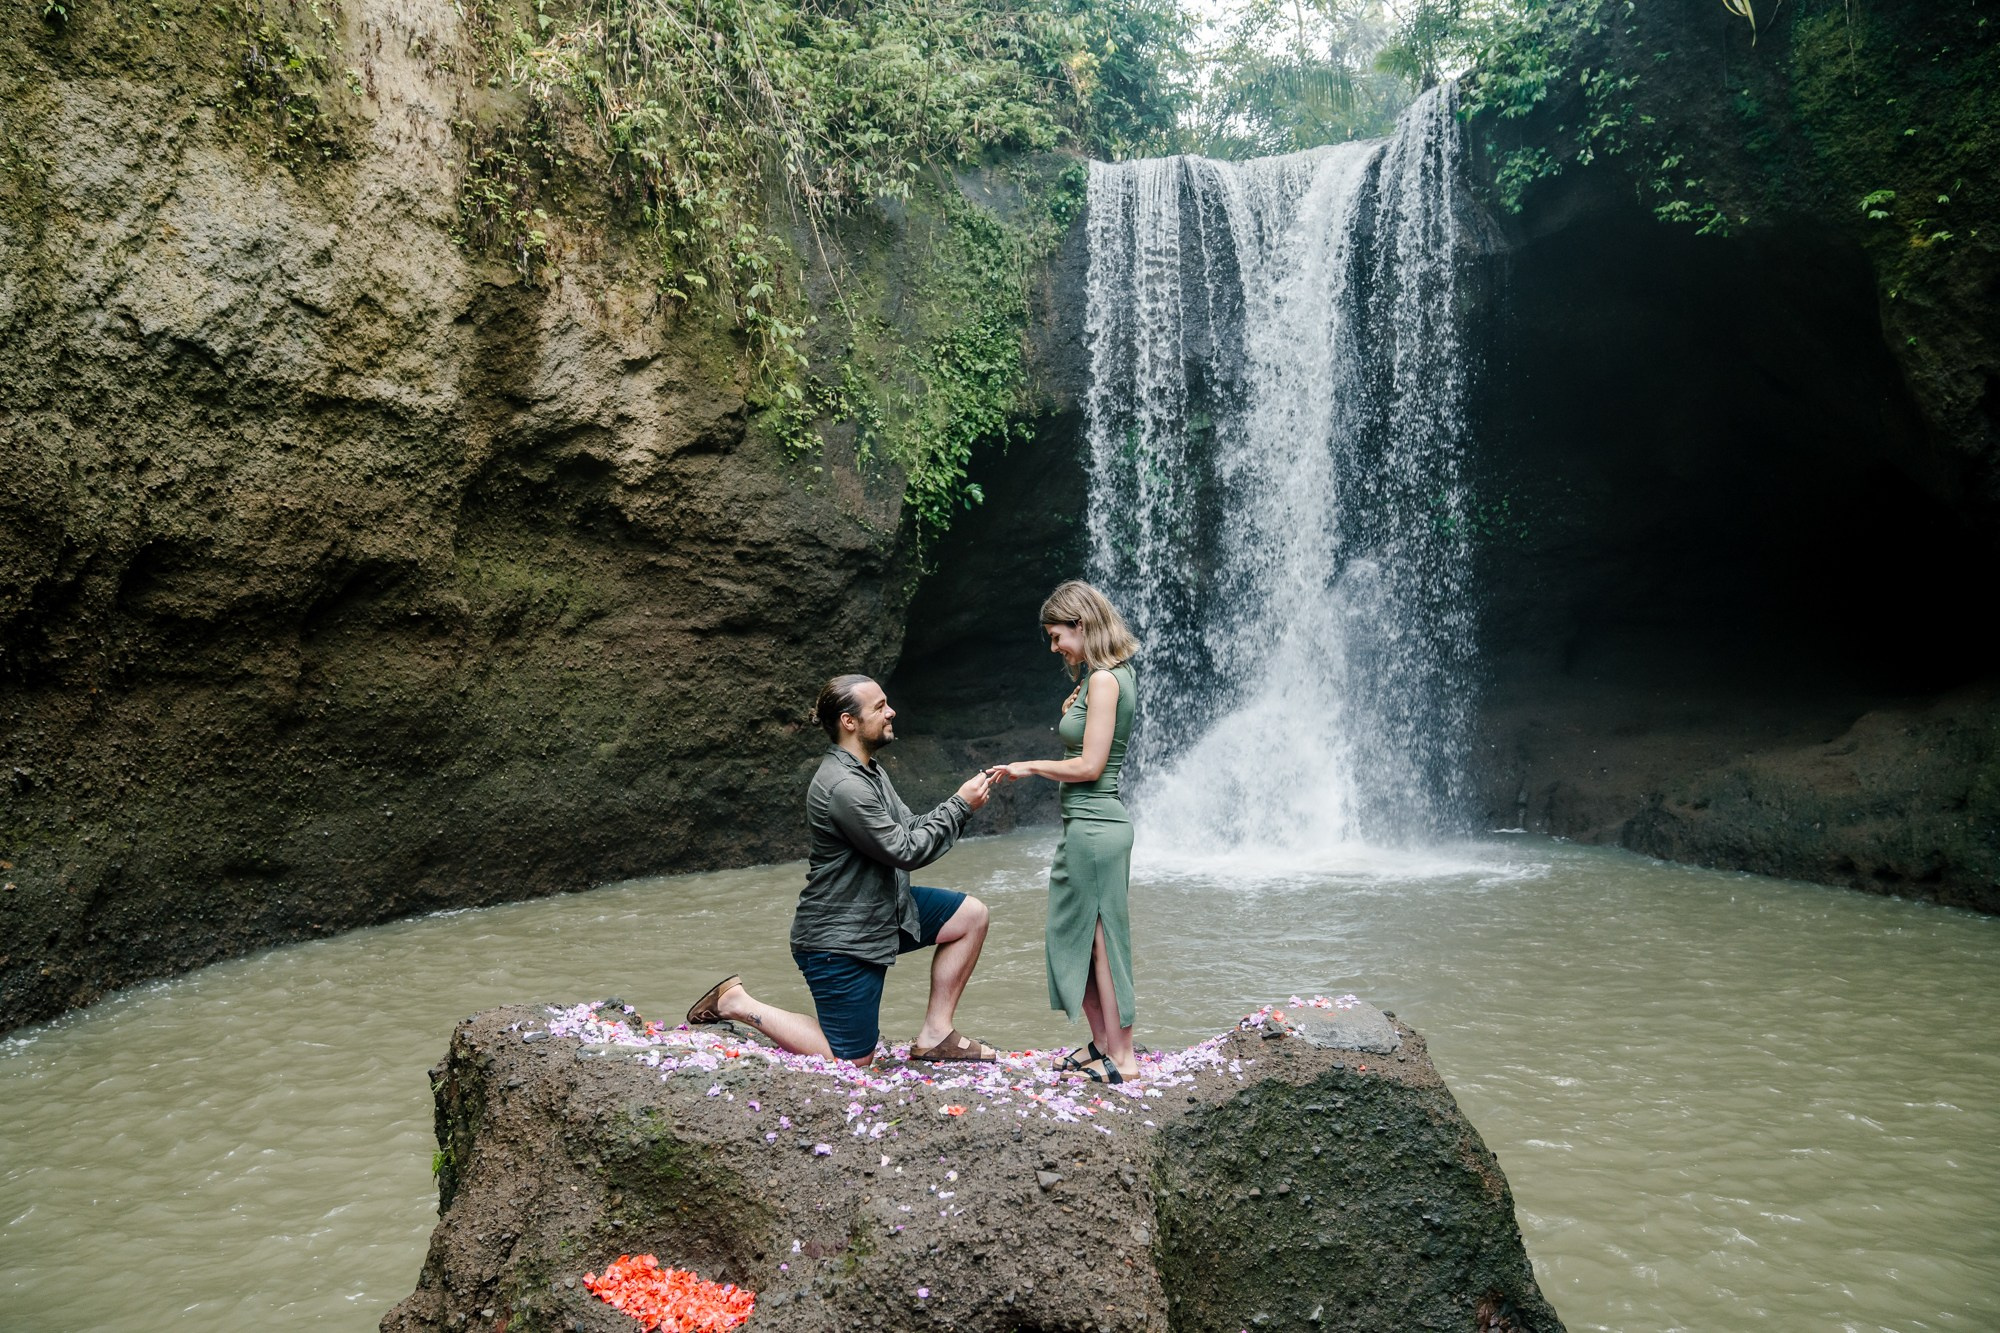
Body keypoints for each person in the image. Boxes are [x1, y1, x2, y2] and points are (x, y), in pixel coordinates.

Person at [684, 674, 1000, 1067]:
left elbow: (907, 828)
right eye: (880, 707)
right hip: (839, 938)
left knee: (971, 916)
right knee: (852, 1060)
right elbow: (903, 851)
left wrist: (958, 803)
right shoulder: (844, 786)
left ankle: (936, 1034)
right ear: (849, 721)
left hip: (881, 911)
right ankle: (737, 1003)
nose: (891, 712)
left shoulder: (869, 771)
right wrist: (960, 806)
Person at [990, 579, 1141, 1083]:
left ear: (1081, 624)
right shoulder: (1108, 676)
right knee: (1075, 936)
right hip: (1087, 826)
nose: (1055, 648)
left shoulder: (1105, 681)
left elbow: (1091, 766)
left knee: (1103, 942)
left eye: (1058, 636)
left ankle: (1123, 1058)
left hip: (1096, 827)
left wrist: (1030, 766)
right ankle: (1103, 1045)